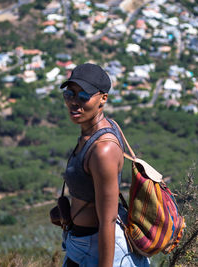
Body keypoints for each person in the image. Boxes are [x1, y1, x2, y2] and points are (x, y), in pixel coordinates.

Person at [60, 63, 149, 267]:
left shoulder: (103, 150)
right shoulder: (96, 131)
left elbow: (107, 221)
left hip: (94, 249)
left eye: (83, 96)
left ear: (103, 98)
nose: (74, 102)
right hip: (80, 242)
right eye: (69, 94)